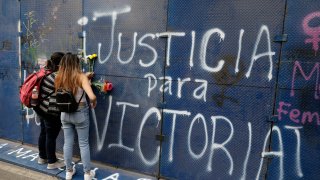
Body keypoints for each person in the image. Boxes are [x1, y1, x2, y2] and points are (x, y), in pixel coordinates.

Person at [54, 53, 97, 180]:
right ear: (76, 63)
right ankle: (87, 174)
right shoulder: (81, 77)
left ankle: (68, 171)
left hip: (65, 114)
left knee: (67, 143)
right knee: (83, 144)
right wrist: (94, 102)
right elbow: (92, 96)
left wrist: (85, 78)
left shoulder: (59, 77)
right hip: (80, 113)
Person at [35, 52, 65, 169]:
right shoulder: (57, 75)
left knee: (44, 133)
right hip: (50, 111)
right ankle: (52, 162)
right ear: (61, 63)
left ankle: (42, 157)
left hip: (41, 108)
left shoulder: (46, 71)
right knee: (51, 136)